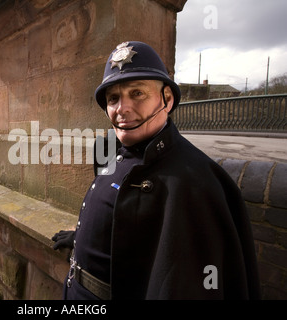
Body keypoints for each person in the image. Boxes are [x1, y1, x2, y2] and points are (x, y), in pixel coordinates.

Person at [52, 41, 260, 300]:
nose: (122, 109)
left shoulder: (195, 179)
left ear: (167, 99)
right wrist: (85, 238)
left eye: (137, 93)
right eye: (113, 98)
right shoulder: (108, 148)